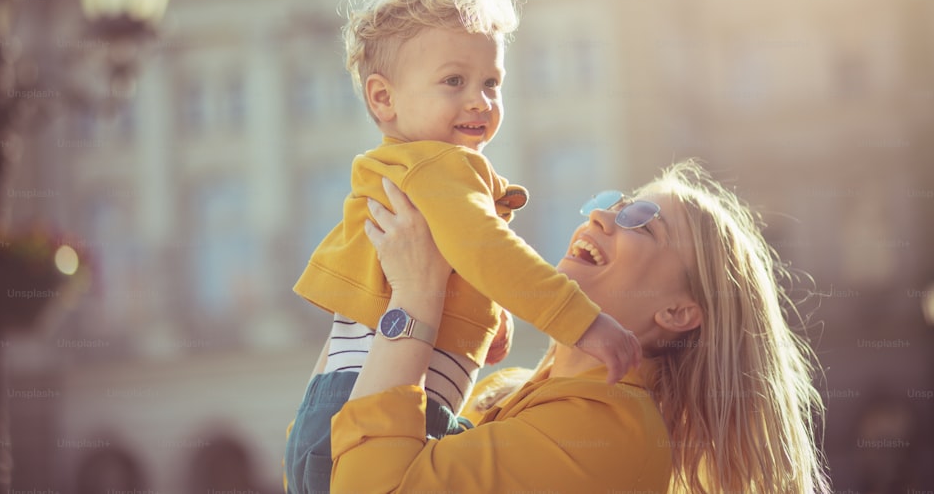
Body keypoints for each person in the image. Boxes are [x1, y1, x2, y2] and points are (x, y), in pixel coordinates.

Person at [284, 0, 640, 494]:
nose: (480, 101)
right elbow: (484, 246)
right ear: (384, 98)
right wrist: (582, 322)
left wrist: (485, 316)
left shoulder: (413, 169)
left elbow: (458, 260)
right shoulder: (442, 164)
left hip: (338, 411)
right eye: (454, 81)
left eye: (491, 83)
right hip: (380, 411)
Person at [331, 160, 831, 493]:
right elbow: (317, 459)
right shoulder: (506, 391)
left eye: (644, 221)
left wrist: (416, 295)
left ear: (678, 313)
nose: (600, 216)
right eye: (613, 203)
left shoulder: (609, 434)